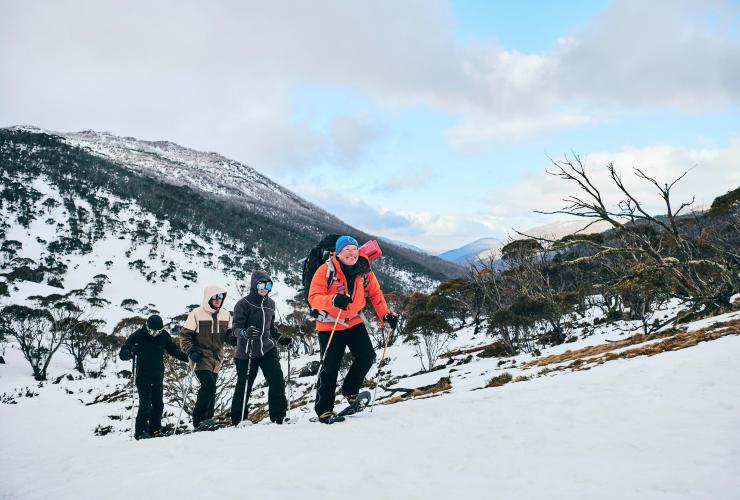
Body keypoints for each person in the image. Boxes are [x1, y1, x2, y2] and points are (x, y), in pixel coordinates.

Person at [308, 235, 398, 423]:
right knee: (330, 366)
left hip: (353, 320)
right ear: (338, 253)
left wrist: (385, 315)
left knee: (367, 356)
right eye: (346, 250)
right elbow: (313, 297)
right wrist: (332, 300)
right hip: (329, 324)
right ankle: (324, 410)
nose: (351, 253)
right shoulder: (325, 270)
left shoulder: (364, 270)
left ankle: (350, 390)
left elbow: (375, 294)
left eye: (354, 249)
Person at [230, 270, 293, 425]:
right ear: (254, 285)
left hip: (266, 349)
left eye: (268, 285)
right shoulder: (243, 304)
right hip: (247, 352)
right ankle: (238, 419)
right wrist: (245, 332)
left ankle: (279, 416)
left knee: (277, 379)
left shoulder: (270, 303)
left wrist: (281, 338)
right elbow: (235, 329)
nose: (265, 288)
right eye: (261, 285)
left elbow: (271, 328)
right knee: (244, 385)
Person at [119, 314, 188, 440]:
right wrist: (130, 352)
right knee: (145, 406)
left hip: (157, 376)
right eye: (152, 331)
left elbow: (174, 350)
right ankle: (140, 432)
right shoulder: (137, 336)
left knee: (158, 405)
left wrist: (189, 358)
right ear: (147, 327)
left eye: (158, 331)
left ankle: (155, 430)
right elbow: (122, 354)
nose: (155, 334)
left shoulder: (164, 336)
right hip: (142, 376)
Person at [179, 285, 233, 431]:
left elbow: (228, 335)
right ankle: (199, 421)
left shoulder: (226, 314)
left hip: (217, 358)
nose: (217, 300)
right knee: (208, 386)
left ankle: (208, 419)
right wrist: (191, 350)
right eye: (215, 297)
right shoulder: (197, 313)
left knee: (212, 388)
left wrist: (234, 338)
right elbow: (184, 336)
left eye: (220, 297)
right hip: (200, 357)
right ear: (208, 298)